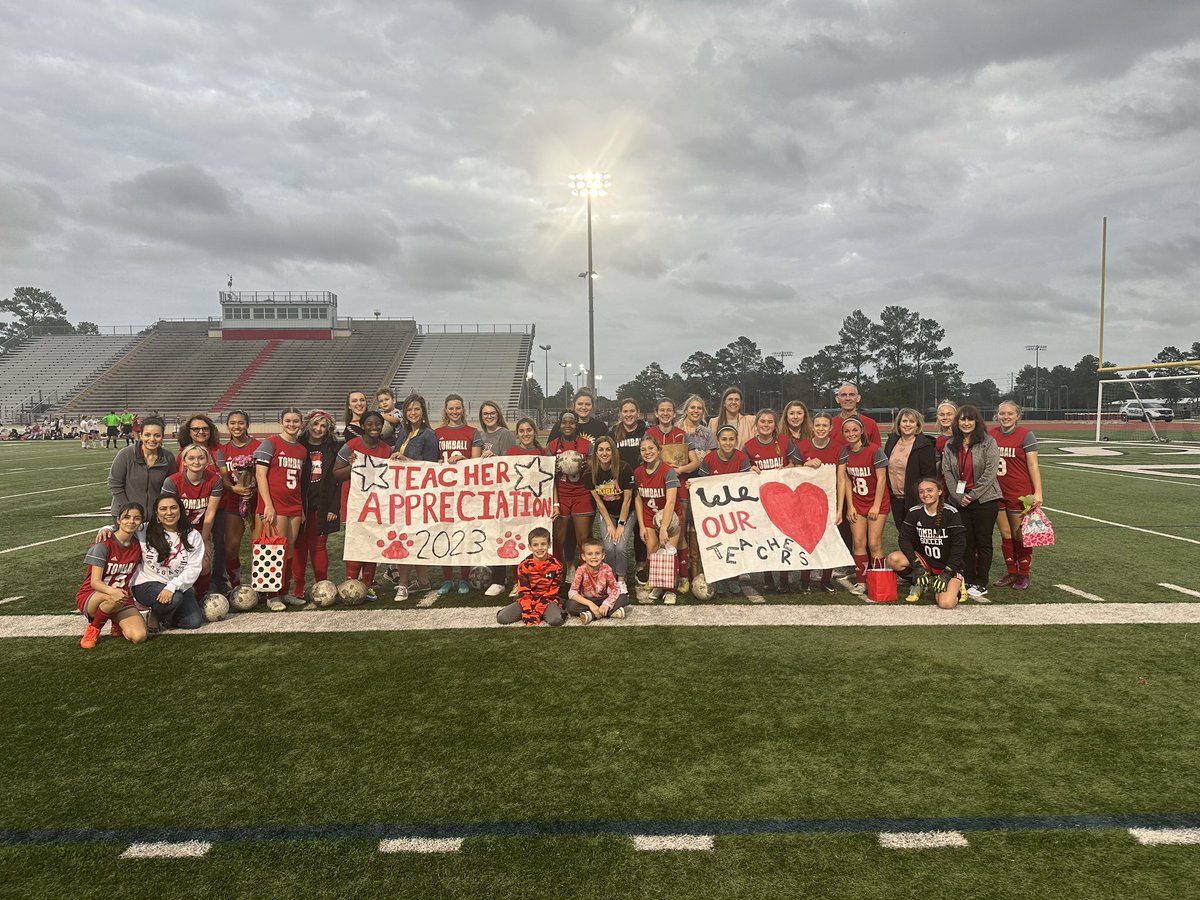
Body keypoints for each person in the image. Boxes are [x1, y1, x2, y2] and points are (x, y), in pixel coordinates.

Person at [941, 404, 1001, 600]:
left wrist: (972, 495)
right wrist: (959, 497)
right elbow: (947, 472)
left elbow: (990, 472)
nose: (966, 423)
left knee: (983, 541)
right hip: (960, 500)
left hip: (985, 499)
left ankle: (981, 581)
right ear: (957, 422)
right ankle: (967, 577)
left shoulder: (988, 442)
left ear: (977, 421)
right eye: (962, 419)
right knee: (964, 541)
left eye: (970, 419)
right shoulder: (951, 444)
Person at [255, 407, 310, 610]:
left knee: (288, 550)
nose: (292, 425)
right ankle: (272, 595)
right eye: (288, 421)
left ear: (301, 423)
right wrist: (268, 504)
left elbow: (298, 481)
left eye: (296, 421)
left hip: (294, 504)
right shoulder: (270, 443)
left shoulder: (302, 450)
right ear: (281, 421)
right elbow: (260, 475)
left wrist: (302, 508)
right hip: (274, 504)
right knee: (274, 550)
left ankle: (285, 592)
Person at [333, 411, 390, 602]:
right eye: (369, 424)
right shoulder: (350, 446)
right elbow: (336, 473)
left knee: (371, 543)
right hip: (355, 503)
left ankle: (367, 585)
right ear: (363, 426)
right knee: (356, 542)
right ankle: (350, 583)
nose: (374, 427)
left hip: (376, 504)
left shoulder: (386, 449)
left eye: (378, 424)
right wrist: (354, 467)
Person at [743, 408, 802, 593]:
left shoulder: (785, 442)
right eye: (763, 422)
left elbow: (798, 463)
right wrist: (750, 470)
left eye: (770, 422)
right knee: (765, 538)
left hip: (783, 499)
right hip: (760, 500)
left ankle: (784, 578)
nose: (766, 425)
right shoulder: (749, 445)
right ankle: (768, 577)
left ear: (775, 425)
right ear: (756, 424)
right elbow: (742, 470)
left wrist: (789, 468)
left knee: (783, 537)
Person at [387, 394, 440, 597]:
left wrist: (406, 460)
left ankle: (402, 583)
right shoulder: (403, 433)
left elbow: (431, 468)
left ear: (423, 411)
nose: (413, 413)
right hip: (402, 492)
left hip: (419, 494)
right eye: (409, 409)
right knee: (412, 537)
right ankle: (424, 580)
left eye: (417, 409)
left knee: (408, 537)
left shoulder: (429, 435)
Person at [887, 477, 966, 609]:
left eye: (930, 490)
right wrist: (917, 565)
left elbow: (959, 546)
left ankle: (958, 583)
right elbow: (904, 539)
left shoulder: (951, 513)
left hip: (948, 565)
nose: (925, 494)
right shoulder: (914, 512)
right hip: (926, 561)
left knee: (945, 603)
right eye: (921, 491)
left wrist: (947, 573)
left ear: (939, 492)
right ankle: (918, 582)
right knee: (893, 559)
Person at [990, 401, 1045, 591]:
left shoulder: (1025, 435)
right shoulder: (991, 434)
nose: (1005, 416)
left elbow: (1033, 465)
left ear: (1017, 415)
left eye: (1009, 413)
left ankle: (1024, 574)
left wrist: (1038, 492)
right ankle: (1012, 572)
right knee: (1005, 534)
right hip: (996, 491)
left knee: (1019, 534)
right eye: (1002, 413)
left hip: (1018, 492)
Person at [77, 502, 147, 648]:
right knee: (113, 596)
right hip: (94, 594)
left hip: (121, 597)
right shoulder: (104, 544)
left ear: (141, 522)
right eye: (126, 517)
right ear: (118, 520)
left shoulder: (138, 546)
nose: (131, 522)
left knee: (139, 636)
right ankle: (94, 628)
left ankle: (115, 620)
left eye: (136, 518)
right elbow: (95, 582)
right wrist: (113, 591)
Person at [131, 495, 206, 631]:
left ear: (180, 511)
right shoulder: (144, 529)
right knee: (175, 598)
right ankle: (157, 612)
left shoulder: (192, 535)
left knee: (193, 622)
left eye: (173, 508)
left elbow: (193, 569)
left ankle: (164, 615)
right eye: (163, 509)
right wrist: (105, 529)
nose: (169, 512)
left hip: (177, 585)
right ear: (157, 513)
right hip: (147, 583)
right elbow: (122, 530)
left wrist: (173, 586)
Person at [648, 397, 698, 592]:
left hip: (679, 489)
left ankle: (682, 575)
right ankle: (659, 576)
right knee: (657, 535)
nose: (666, 413)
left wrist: (679, 469)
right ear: (656, 413)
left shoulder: (682, 435)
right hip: (657, 491)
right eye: (662, 410)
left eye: (669, 410)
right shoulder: (650, 433)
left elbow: (695, 462)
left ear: (674, 413)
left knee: (679, 533)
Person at [695, 424, 752, 596]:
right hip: (714, 510)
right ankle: (718, 578)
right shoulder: (710, 458)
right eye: (724, 439)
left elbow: (745, 483)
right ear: (718, 441)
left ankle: (734, 579)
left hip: (735, 509)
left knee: (734, 544)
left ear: (736, 441)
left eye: (731, 439)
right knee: (716, 544)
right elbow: (702, 483)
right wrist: (693, 484)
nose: (728, 443)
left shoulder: (742, 458)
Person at [293, 410, 342, 603]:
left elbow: (339, 481)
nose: (318, 429)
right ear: (308, 425)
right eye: (315, 425)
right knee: (299, 546)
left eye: (323, 426)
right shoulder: (298, 446)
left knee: (319, 545)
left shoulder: (334, 448)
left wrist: (333, 508)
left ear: (328, 428)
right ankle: (298, 587)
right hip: (300, 503)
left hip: (322, 503)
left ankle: (322, 585)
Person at [162, 444, 223, 596]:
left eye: (201, 458)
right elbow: (167, 513)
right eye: (191, 458)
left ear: (207, 461)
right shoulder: (172, 482)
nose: (196, 462)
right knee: (175, 564)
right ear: (184, 462)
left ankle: (201, 597)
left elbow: (210, 513)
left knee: (204, 563)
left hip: (201, 529)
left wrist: (204, 540)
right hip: (176, 529)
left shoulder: (215, 480)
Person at [838, 416, 888, 593]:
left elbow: (881, 479)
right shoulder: (844, 451)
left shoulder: (875, 451)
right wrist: (850, 506)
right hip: (858, 503)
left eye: (854, 430)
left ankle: (879, 581)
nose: (851, 433)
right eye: (847, 431)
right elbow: (846, 480)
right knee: (859, 542)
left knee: (874, 544)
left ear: (861, 431)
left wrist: (876, 505)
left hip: (877, 502)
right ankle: (862, 581)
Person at [795, 411, 844, 593]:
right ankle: (804, 579)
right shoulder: (803, 446)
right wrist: (805, 465)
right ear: (812, 427)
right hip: (806, 502)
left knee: (829, 541)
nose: (821, 429)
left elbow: (841, 479)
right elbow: (794, 473)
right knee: (807, 540)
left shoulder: (839, 448)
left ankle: (826, 579)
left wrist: (840, 508)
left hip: (829, 501)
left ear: (831, 428)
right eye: (818, 425)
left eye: (825, 425)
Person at [177, 413, 227, 592]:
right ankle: (194, 582)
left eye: (204, 428)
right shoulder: (183, 453)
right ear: (188, 432)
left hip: (218, 506)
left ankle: (219, 580)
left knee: (220, 544)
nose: (200, 432)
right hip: (192, 509)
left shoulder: (218, 450)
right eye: (196, 429)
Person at [434, 394, 477, 595]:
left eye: (458, 408)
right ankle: (447, 578)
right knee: (445, 535)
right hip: (443, 492)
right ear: (445, 410)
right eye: (451, 408)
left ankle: (464, 578)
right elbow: (430, 462)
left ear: (463, 409)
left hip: (465, 493)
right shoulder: (437, 433)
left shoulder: (472, 432)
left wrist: (464, 458)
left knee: (464, 535)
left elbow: (477, 463)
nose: (454, 412)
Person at [584, 435, 635, 596]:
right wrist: (609, 524)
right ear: (596, 452)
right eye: (601, 450)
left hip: (626, 513)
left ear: (613, 451)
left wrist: (620, 524)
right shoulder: (589, 472)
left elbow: (627, 501)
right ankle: (610, 578)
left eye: (608, 449)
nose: (605, 453)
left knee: (619, 546)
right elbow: (599, 503)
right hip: (607, 513)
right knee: (608, 547)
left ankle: (621, 580)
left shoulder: (625, 468)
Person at [634, 434, 681, 604]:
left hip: (670, 517)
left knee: (668, 551)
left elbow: (670, 502)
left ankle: (671, 590)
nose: (647, 452)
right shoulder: (638, 472)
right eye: (643, 450)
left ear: (659, 450)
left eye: (651, 448)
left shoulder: (667, 471)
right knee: (652, 549)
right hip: (649, 515)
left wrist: (663, 528)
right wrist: (641, 525)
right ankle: (658, 584)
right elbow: (638, 499)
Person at [547, 410, 594, 576]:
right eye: (564, 422)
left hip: (582, 494)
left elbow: (593, 468)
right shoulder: (552, 446)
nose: (568, 425)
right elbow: (548, 476)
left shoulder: (586, 445)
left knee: (583, 538)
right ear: (559, 424)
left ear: (576, 424)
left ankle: (585, 573)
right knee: (559, 539)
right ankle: (558, 571)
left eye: (571, 422)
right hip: (561, 495)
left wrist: (585, 465)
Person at [218, 410, 261, 590]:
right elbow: (223, 478)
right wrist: (234, 488)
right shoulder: (222, 450)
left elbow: (264, 474)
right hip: (233, 502)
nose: (237, 426)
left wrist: (254, 489)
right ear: (228, 425)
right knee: (231, 546)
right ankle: (236, 586)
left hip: (257, 501)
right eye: (233, 423)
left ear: (247, 425)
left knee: (259, 546)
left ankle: (260, 585)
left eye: (241, 423)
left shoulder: (259, 445)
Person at [108, 416, 175, 525]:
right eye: (147, 435)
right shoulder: (126, 454)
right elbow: (115, 483)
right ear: (140, 436)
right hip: (126, 515)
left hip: (155, 518)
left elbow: (171, 487)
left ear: (162, 437)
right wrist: (128, 509)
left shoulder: (168, 457)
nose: (152, 439)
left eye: (157, 435)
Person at [610, 398, 649, 583]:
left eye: (632, 411)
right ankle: (616, 565)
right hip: (621, 484)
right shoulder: (614, 432)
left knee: (640, 526)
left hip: (642, 482)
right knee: (622, 525)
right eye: (625, 411)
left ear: (638, 412)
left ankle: (641, 565)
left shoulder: (645, 431)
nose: (628, 414)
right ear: (620, 413)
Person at [678, 395, 715, 589]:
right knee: (679, 528)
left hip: (700, 487)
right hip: (678, 485)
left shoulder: (707, 433)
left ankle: (697, 569)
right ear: (686, 409)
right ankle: (679, 571)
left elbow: (710, 462)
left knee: (698, 529)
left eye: (699, 408)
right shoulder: (677, 430)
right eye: (692, 407)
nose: (695, 411)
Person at [883, 408, 939, 533]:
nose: (907, 424)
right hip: (895, 499)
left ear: (917, 425)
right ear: (899, 423)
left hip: (915, 499)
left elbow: (928, 475)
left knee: (917, 534)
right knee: (902, 534)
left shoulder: (924, 445)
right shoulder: (892, 442)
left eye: (911, 421)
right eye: (904, 421)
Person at [495, 527, 565, 626]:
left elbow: (551, 593)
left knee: (556, 620)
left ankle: (558, 608)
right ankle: (527, 610)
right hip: (528, 599)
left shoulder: (557, 565)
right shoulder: (523, 565)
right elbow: (524, 592)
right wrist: (528, 611)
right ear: (530, 547)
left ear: (549, 545)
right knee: (502, 618)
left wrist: (536, 612)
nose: (540, 548)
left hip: (548, 600)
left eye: (543, 544)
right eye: (535, 545)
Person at [567, 537, 627, 624]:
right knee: (570, 605)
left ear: (603, 556)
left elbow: (616, 589)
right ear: (583, 557)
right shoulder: (581, 570)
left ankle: (592, 615)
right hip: (586, 600)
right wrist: (590, 604)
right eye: (590, 554)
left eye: (597, 553)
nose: (594, 557)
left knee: (624, 597)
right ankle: (610, 612)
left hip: (602, 599)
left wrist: (606, 604)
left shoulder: (606, 569)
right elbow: (572, 592)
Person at [831, 383, 882, 448]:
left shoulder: (871, 424)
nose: (848, 398)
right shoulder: (830, 424)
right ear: (837, 399)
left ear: (858, 398)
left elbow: (877, 453)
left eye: (851, 395)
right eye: (843, 395)